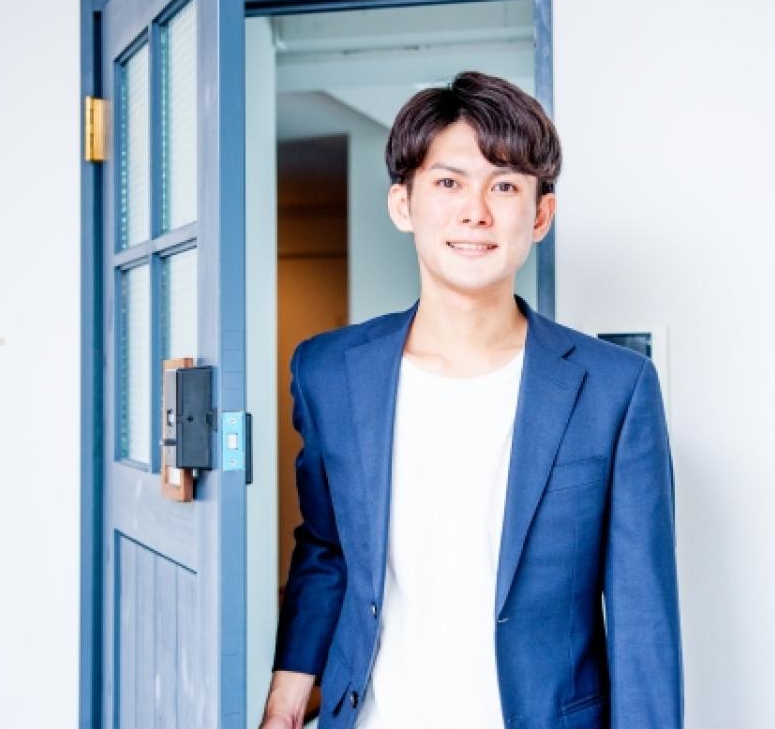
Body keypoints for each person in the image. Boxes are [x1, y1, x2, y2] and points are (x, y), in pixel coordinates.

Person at [260, 71, 683, 729]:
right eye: (449, 182)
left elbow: (643, 623)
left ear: (540, 215)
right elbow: (327, 546)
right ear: (403, 204)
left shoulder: (614, 389)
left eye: (504, 186)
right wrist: (288, 692)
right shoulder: (329, 373)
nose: (476, 212)